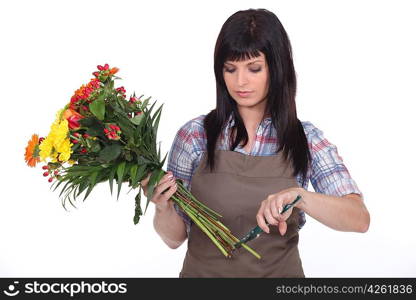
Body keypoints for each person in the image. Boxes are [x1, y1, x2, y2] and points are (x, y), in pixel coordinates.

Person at [141, 8, 370, 278]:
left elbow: (359, 218)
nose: (240, 81)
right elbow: (174, 239)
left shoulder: (305, 140)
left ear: (277, 67)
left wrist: (300, 196)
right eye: (230, 69)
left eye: (254, 68)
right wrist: (162, 205)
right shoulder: (195, 136)